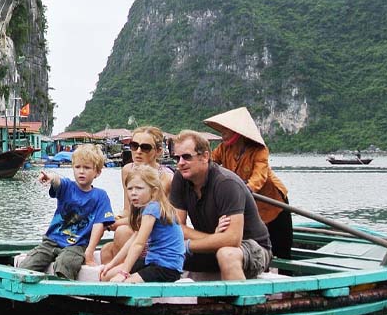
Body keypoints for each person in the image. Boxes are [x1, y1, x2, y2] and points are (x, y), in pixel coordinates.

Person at [169, 130, 272, 280]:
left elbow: (232, 240)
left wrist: (188, 245)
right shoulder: (180, 178)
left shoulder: (226, 183)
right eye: (176, 158)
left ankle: (242, 302)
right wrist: (215, 238)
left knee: (226, 254)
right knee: (156, 251)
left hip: (250, 247)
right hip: (211, 246)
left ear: (205, 157)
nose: (180, 163)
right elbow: (177, 228)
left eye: (186, 157)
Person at [204, 107, 293, 260]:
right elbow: (209, 163)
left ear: (237, 132)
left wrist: (246, 189)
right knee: (252, 243)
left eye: (226, 130)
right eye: (222, 130)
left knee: (282, 249)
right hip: (250, 206)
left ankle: (289, 279)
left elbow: (260, 176)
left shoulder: (259, 150)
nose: (223, 134)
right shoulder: (224, 149)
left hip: (274, 204)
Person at [19, 144, 116, 279]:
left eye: (87, 168)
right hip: (52, 241)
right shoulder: (67, 186)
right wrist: (51, 177)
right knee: (28, 264)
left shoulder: (100, 196)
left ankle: (60, 292)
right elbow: (57, 181)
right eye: (77, 167)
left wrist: (89, 252)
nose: (81, 171)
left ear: (97, 172)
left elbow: (99, 225)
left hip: (77, 245)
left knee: (66, 263)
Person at [99, 164, 186, 283]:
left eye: (139, 188)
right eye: (130, 189)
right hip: (151, 261)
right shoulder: (145, 207)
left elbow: (139, 244)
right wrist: (112, 264)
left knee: (122, 283)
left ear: (154, 191)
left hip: (166, 268)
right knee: (106, 276)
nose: (133, 193)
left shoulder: (153, 208)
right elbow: (133, 240)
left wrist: (124, 273)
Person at [101, 126, 174, 265]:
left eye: (145, 148)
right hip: (135, 224)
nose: (138, 151)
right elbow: (128, 210)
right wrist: (112, 219)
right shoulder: (128, 170)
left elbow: (152, 218)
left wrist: (115, 224)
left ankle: (124, 275)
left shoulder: (166, 178)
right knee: (105, 250)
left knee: (122, 232)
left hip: (155, 231)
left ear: (158, 151)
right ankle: (113, 281)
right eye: (134, 146)